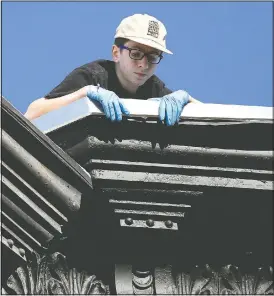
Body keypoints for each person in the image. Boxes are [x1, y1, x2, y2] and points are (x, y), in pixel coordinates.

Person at [25, 13, 200, 126]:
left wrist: (187, 99)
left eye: (153, 57)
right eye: (136, 53)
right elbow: (32, 113)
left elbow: (222, 126)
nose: (144, 65)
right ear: (116, 53)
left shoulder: (156, 89)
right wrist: (83, 93)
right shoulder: (92, 76)